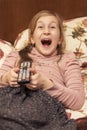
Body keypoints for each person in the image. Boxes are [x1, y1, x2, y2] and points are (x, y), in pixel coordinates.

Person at [0, 10, 84, 129]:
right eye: (40, 27)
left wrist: (46, 84)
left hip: (42, 101)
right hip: (10, 97)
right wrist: (6, 79)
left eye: (52, 27)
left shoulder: (67, 59)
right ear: (32, 39)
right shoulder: (16, 55)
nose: (46, 31)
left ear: (60, 39)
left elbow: (78, 101)